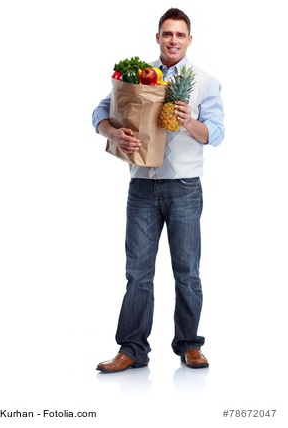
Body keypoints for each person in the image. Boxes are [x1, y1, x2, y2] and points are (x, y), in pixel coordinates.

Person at [92, 7, 224, 373]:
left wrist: (190, 122)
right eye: (167, 34)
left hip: (184, 186)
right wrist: (114, 133)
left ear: (189, 40)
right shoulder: (136, 76)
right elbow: (100, 113)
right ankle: (132, 348)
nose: (173, 40)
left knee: (187, 271)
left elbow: (216, 133)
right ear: (158, 37)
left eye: (180, 35)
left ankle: (190, 345)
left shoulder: (204, 80)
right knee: (137, 271)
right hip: (142, 187)